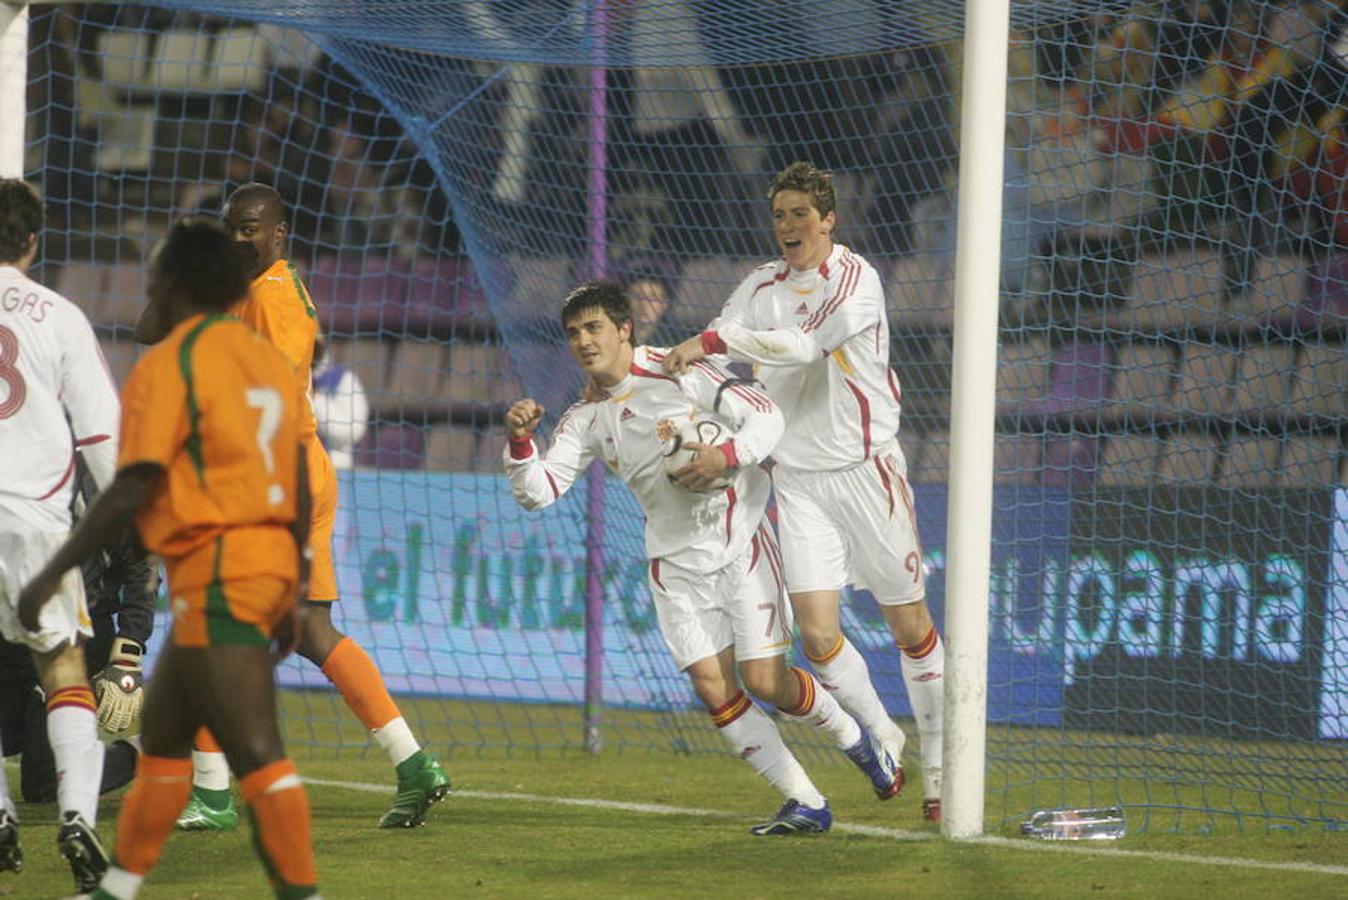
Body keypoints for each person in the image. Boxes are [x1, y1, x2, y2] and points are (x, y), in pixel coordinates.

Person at [504, 281, 902, 836]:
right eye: (573, 333)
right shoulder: (584, 419)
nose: (583, 341)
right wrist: (523, 444)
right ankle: (806, 802)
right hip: (674, 565)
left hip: (739, 543)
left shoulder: (679, 371)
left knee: (766, 682)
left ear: (624, 329)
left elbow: (765, 415)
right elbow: (538, 492)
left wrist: (726, 455)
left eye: (594, 328)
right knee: (714, 688)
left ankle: (857, 742)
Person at [19, 218, 320, 899]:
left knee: (258, 752)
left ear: (176, 282)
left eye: (154, 269)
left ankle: (305, 894)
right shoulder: (264, 363)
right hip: (255, 572)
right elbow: (300, 477)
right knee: (161, 742)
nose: (145, 280)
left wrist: (48, 573)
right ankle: (117, 887)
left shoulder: (173, 365)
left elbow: (132, 484)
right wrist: (292, 584)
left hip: (220, 576)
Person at [664, 162, 947, 822]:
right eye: (779, 215)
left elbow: (803, 346)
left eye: (800, 214)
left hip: (866, 471)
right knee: (818, 639)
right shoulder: (759, 285)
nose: (788, 226)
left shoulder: (857, 280)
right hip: (798, 482)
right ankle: (884, 734)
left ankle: (939, 771)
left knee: (910, 627)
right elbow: (717, 354)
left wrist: (714, 339)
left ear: (828, 219)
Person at [174, 182, 446, 832]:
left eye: (251, 228)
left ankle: (212, 793)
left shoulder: (274, 297)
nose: (239, 238)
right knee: (313, 632)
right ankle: (414, 766)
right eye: (231, 227)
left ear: (278, 234)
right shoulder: (253, 294)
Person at [0, 177, 121, 892]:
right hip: (37, 525)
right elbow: (105, 439)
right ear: (33, 243)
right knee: (63, 667)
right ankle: (76, 817)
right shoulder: (61, 316)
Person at [0, 459, 153, 810]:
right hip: (12, 638)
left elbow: (142, 566)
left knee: (45, 785)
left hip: (80, 635)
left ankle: (150, 748)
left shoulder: (100, 477)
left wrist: (128, 654)